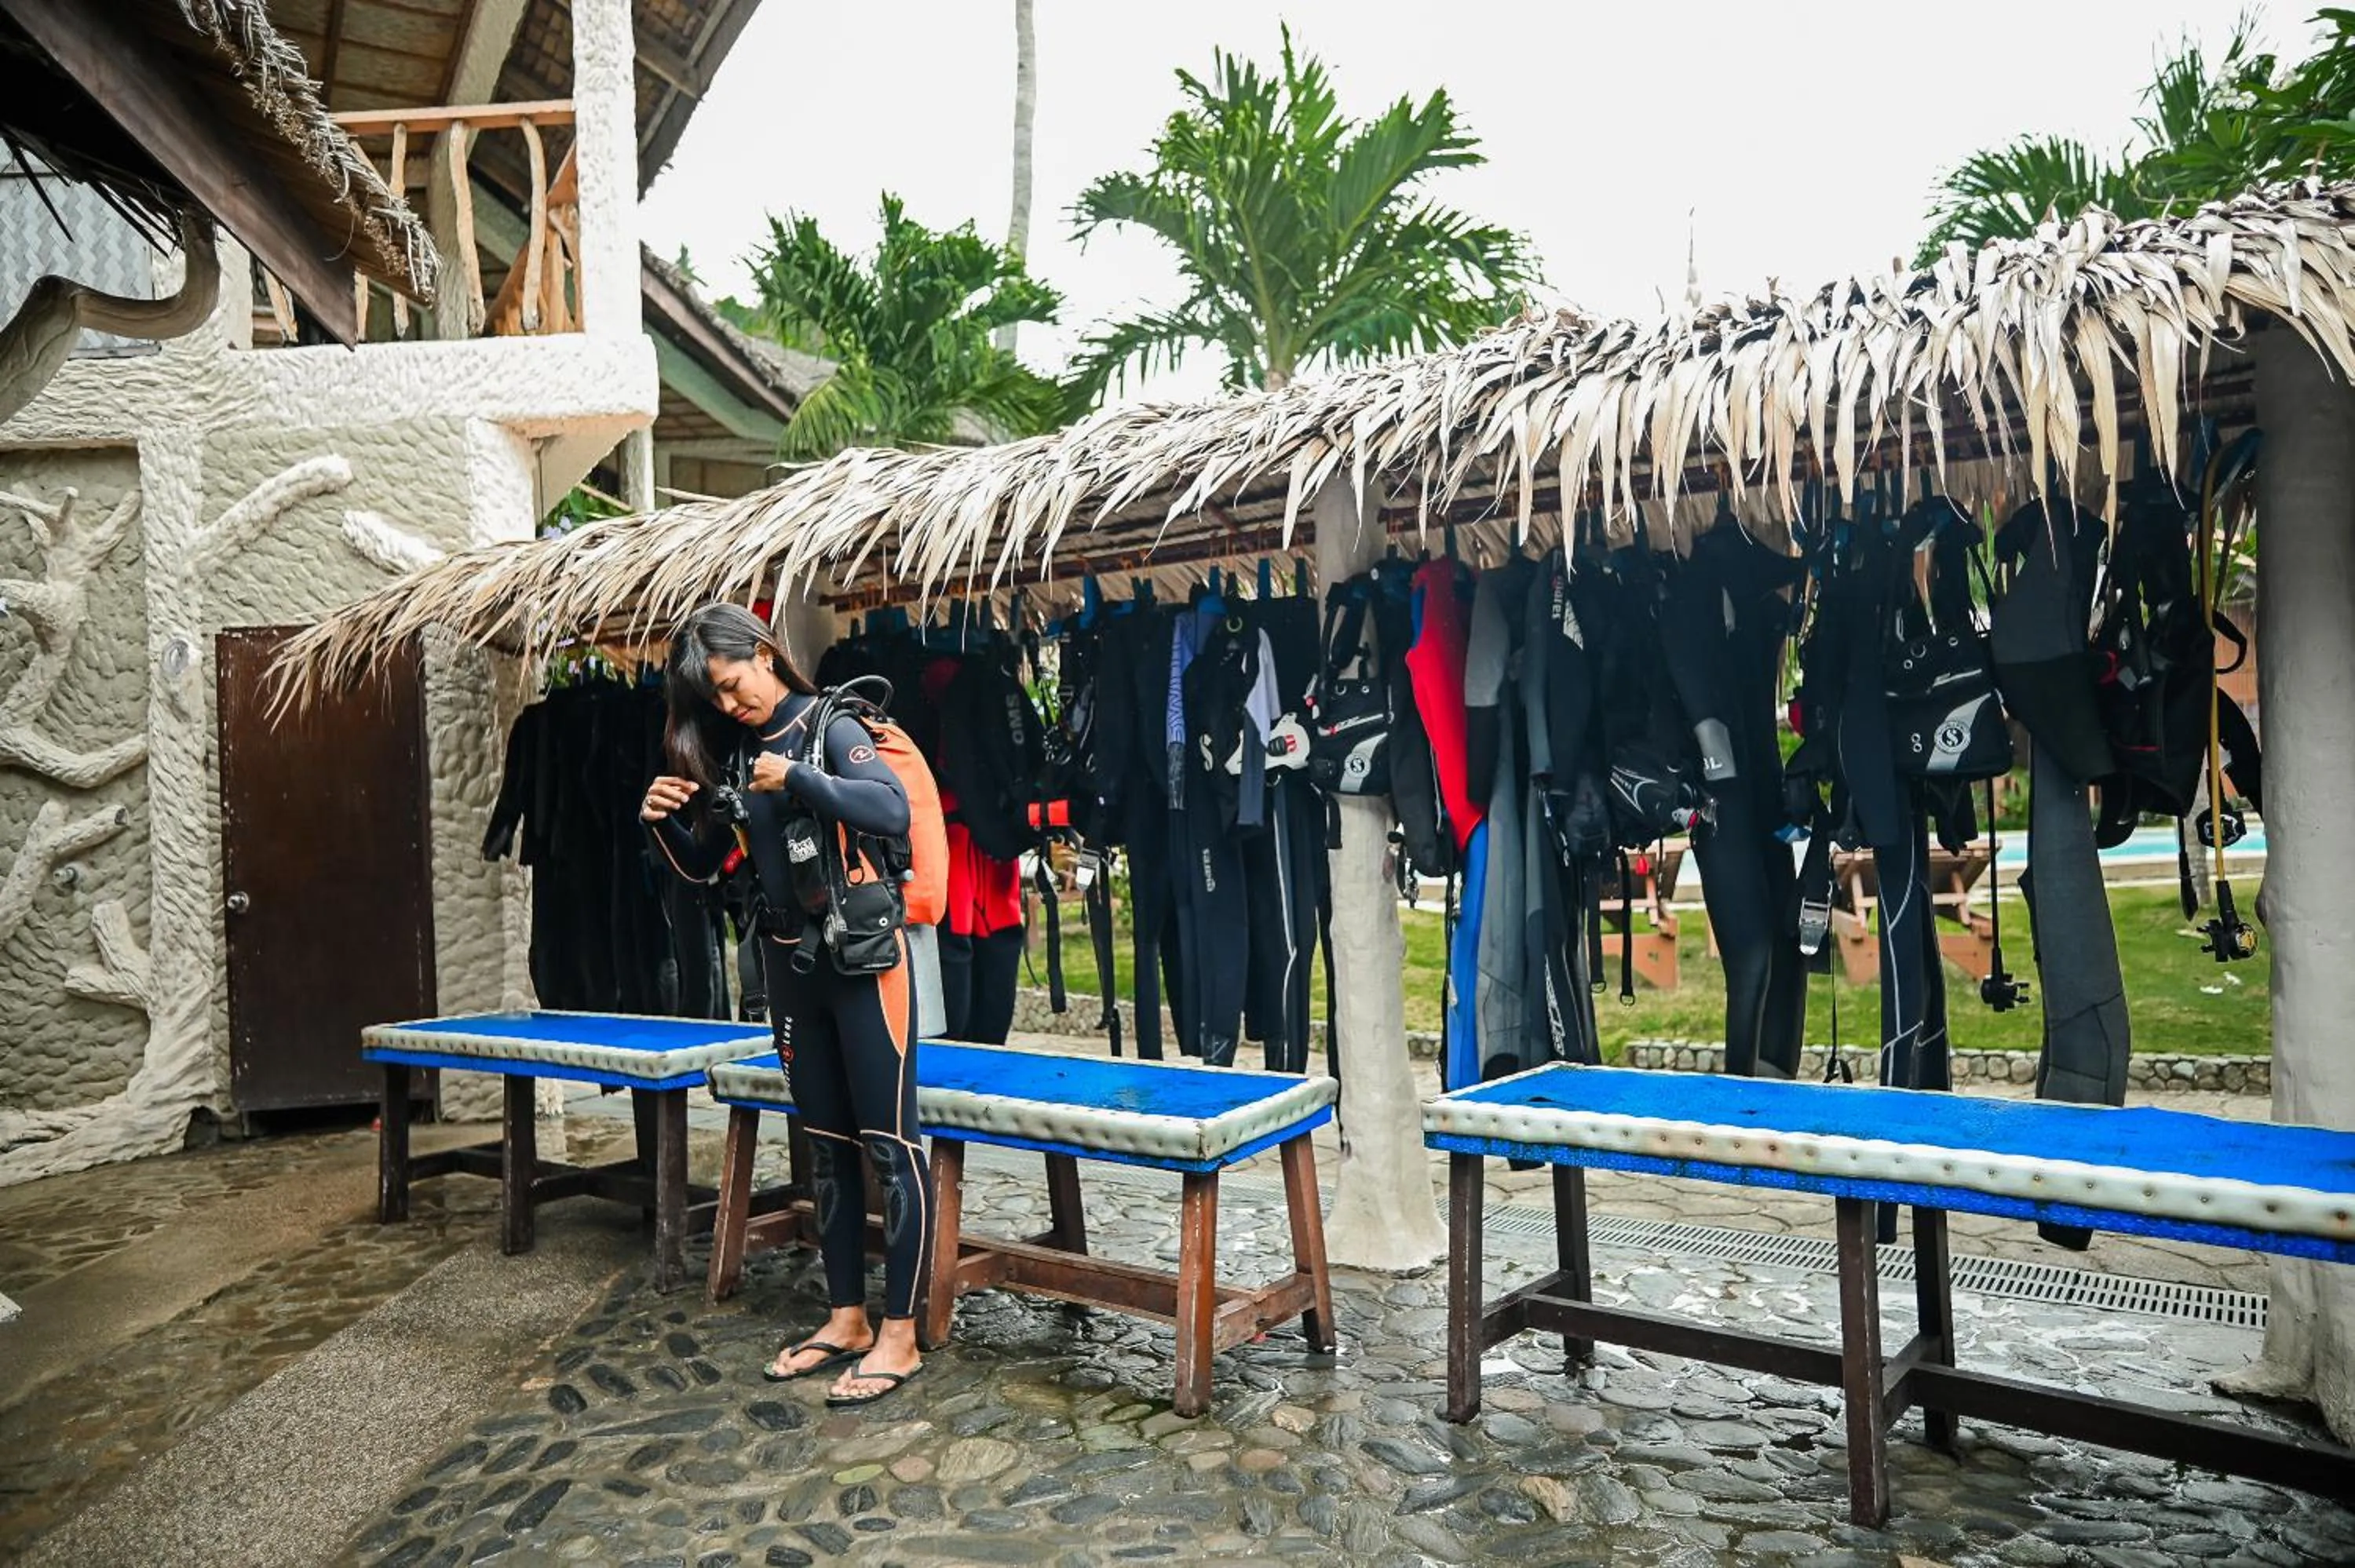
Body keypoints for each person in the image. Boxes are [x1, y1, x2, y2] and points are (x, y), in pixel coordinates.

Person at [641, 603, 932, 1408]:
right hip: (790, 968)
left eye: (734, 687)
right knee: (827, 1147)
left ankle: (900, 1335)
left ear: (765, 654)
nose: (732, 708)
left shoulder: (833, 724)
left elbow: (890, 809)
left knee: (890, 1146)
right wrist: (663, 822)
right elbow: (704, 870)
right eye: (717, 703)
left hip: (865, 962)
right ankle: (845, 1320)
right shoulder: (737, 755)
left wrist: (800, 776)